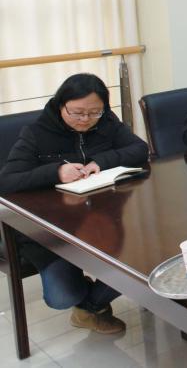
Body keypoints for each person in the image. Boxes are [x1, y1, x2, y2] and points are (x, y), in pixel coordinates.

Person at [0, 74, 149, 334]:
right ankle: (87, 301)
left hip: (104, 221)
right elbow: (7, 181)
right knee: (61, 297)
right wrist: (56, 172)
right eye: (77, 113)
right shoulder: (36, 133)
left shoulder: (107, 122)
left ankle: (90, 308)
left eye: (94, 112)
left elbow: (139, 149)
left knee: (144, 261)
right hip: (51, 232)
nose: (85, 119)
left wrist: (101, 161)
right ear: (61, 105)